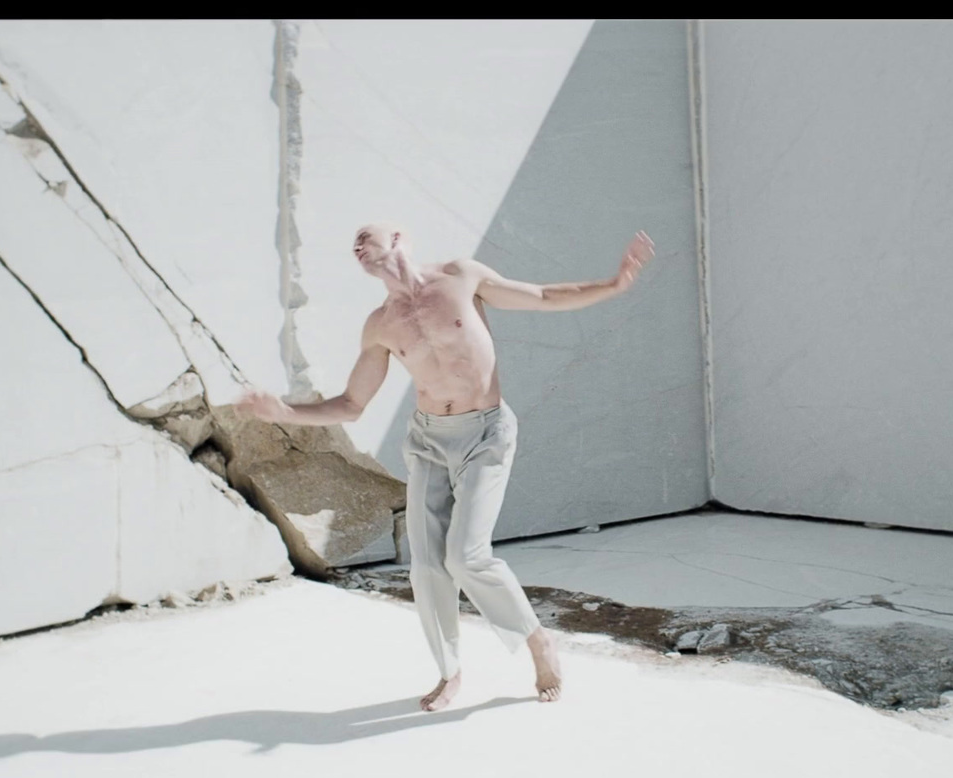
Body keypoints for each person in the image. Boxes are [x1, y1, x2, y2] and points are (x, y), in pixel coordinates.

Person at [237, 223, 655, 711]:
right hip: (429, 443)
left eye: (364, 236)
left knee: (467, 555)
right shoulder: (381, 324)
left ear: (397, 238)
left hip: (485, 434)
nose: (356, 246)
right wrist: (284, 413)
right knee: (428, 566)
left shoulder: (460, 277)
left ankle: (537, 640)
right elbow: (352, 403)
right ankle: (449, 671)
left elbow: (541, 295)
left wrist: (613, 285)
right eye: (352, 246)